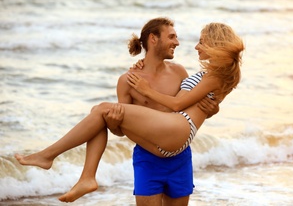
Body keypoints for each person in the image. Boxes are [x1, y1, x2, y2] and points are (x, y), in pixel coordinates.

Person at [15, 22, 244, 203]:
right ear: (153, 40)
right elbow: (193, 102)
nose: (194, 46)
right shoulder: (215, 74)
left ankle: (53, 159)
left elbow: (177, 105)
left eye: (202, 42)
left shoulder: (214, 75)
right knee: (102, 113)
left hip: (178, 128)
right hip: (167, 138)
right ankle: (83, 176)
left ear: (216, 43)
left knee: (102, 109)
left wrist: (146, 90)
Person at [105, 17, 218, 206]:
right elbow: (120, 130)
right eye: (172, 36)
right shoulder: (128, 80)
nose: (177, 42)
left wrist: (213, 109)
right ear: (153, 38)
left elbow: (191, 106)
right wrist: (113, 123)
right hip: (148, 159)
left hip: (180, 156)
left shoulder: (179, 72)